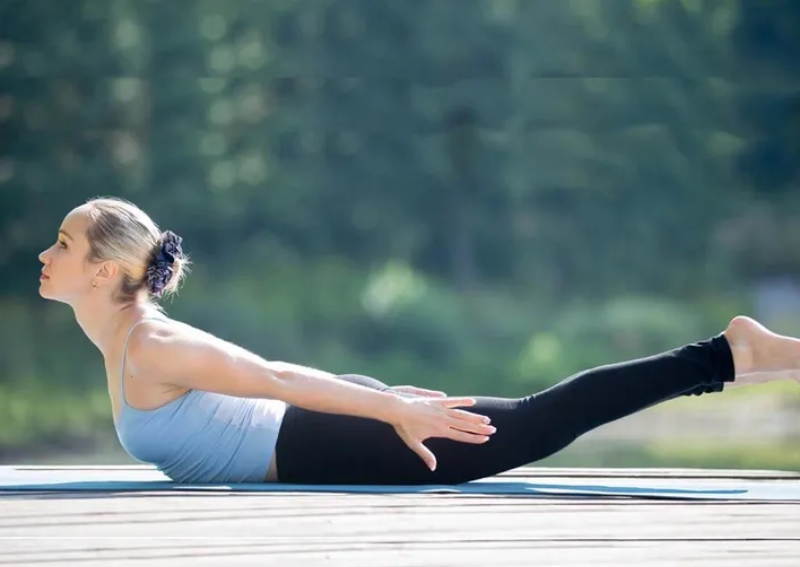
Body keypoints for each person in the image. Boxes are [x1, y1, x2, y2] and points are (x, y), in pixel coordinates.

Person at [38, 197, 800, 486]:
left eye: (63, 243)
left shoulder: (150, 344)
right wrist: (375, 396)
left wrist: (387, 410)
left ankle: (727, 354)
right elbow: (270, 385)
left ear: (103, 271)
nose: (46, 253)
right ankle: (734, 361)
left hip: (321, 439)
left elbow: (271, 376)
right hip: (319, 432)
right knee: (530, 421)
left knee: (534, 423)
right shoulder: (122, 338)